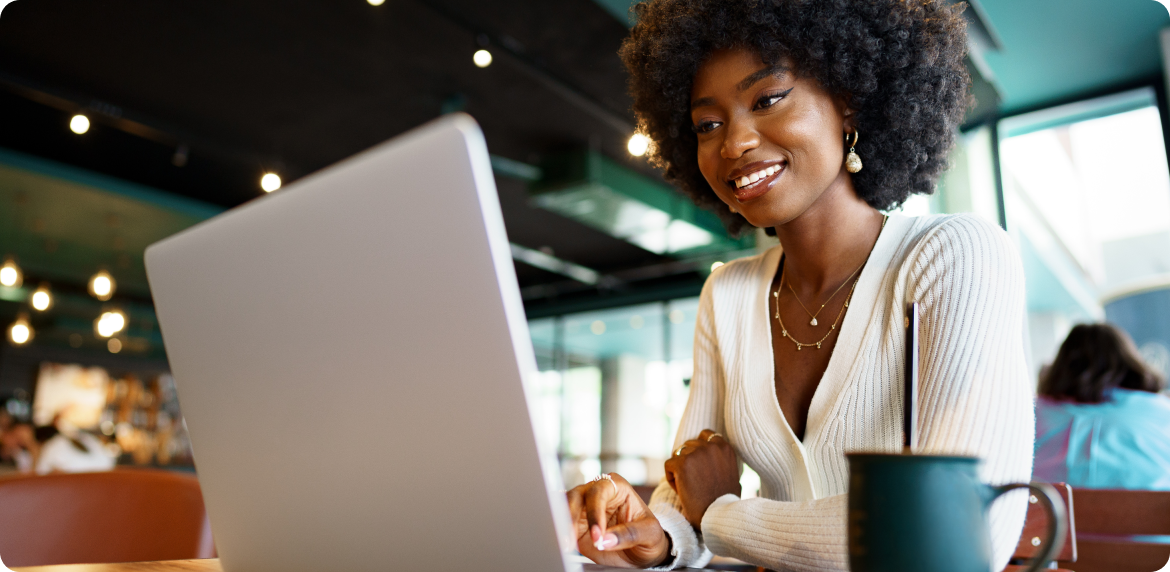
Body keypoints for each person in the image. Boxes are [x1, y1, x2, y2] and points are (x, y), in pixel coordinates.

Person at [564, 1, 1035, 570]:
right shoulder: (729, 295)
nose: (733, 142)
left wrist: (721, 515)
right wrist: (648, 530)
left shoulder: (954, 254)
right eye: (707, 124)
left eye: (767, 99)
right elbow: (686, 490)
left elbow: (963, 530)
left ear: (850, 100)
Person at [1033, 324, 1170, 490]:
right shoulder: (1160, 410)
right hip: (1148, 513)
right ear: (1130, 364)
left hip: (1048, 513)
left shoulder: (1032, 413)